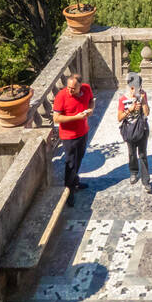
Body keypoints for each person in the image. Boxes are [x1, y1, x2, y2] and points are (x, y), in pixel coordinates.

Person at [52, 72, 94, 207]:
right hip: (69, 136)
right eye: (68, 87)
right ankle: (68, 191)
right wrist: (76, 117)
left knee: (79, 159)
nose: (70, 90)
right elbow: (56, 118)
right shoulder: (61, 96)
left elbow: (91, 100)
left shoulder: (86, 89)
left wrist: (91, 109)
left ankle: (75, 182)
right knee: (70, 163)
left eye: (73, 88)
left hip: (83, 132)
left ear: (80, 86)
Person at [117, 72, 152, 193]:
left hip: (142, 129)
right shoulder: (123, 99)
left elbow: (147, 113)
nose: (135, 90)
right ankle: (133, 172)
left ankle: (146, 181)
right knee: (132, 153)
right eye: (133, 88)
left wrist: (143, 102)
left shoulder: (143, 95)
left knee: (142, 154)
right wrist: (129, 110)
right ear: (129, 87)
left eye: (138, 88)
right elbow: (119, 117)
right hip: (129, 130)